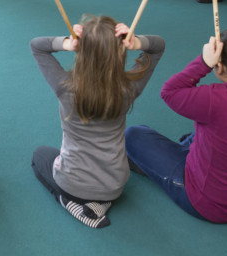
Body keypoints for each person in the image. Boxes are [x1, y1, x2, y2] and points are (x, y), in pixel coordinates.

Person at [125, 29, 227, 223]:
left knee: (134, 135)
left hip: (211, 204)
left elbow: (169, 92)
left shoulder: (216, 100)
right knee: (200, 135)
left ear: (219, 66)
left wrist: (203, 62)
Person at [30, 16, 164, 228]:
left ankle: (67, 202)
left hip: (73, 185)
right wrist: (136, 41)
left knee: (39, 155)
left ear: (81, 51)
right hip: (115, 186)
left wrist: (66, 42)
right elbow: (157, 47)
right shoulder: (129, 89)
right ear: (120, 51)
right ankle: (102, 203)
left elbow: (37, 46)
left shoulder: (64, 87)